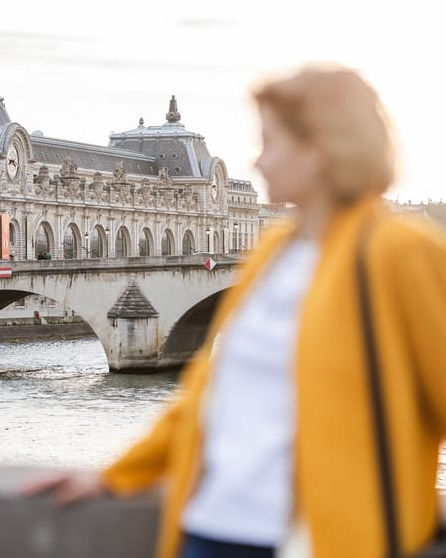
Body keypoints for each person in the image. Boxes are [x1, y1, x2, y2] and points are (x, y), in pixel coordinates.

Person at [25, 66, 446, 558]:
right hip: (213, 527)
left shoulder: (401, 251)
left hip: (325, 538)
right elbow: (209, 397)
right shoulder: (275, 253)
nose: (259, 160)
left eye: (272, 142)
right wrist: (119, 474)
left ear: (320, 152)